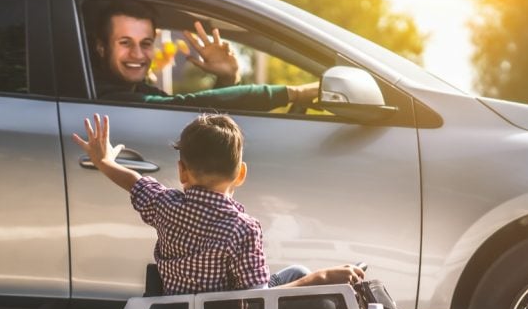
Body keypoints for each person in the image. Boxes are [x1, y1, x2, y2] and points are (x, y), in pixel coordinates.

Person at [72, 111, 363, 295]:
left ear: (182, 171)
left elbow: (133, 180)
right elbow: (257, 299)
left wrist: (104, 161)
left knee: (297, 273)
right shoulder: (244, 229)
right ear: (241, 174)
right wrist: (323, 277)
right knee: (300, 273)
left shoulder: (164, 206)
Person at [92, 0, 319, 111]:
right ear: (101, 47)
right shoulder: (105, 98)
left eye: (146, 43)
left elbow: (202, 122)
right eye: (125, 43)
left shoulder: (138, 90)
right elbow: (182, 107)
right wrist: (294, 93)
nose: (138, 54)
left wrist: (227, 79)